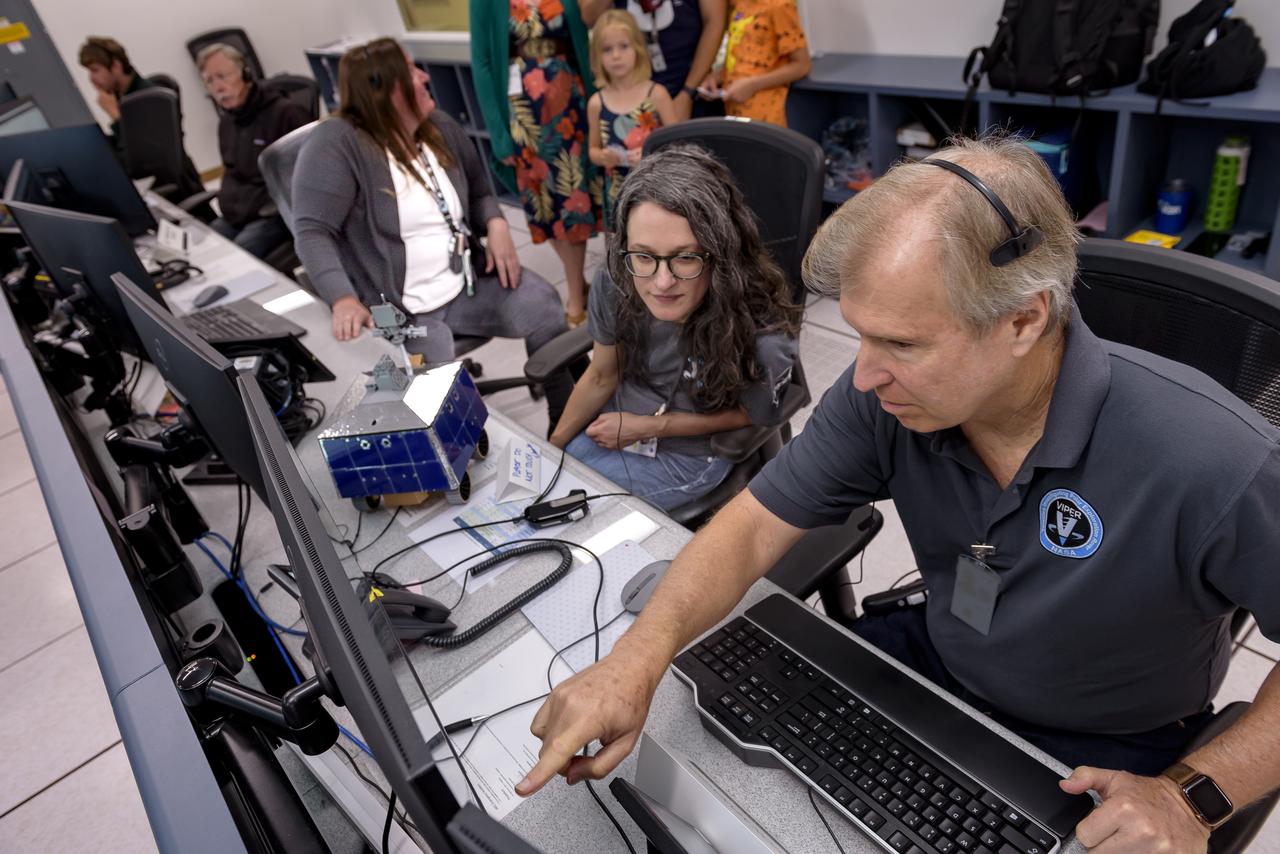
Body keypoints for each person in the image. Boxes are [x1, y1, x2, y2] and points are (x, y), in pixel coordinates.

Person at [518, 136, 1280, 853]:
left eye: (904, 344)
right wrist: (634, 660)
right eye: (860, 336)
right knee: (698, 772)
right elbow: (751, 525)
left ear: (1024, 319)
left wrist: (1192, 797)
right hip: (939, 663)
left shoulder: (1213, 458)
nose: (864, 373)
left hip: (1106, 739)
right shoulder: (886, 395)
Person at [292, 38, 574, 425]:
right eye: (410, 71)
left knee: (543, 307)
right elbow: (311, 230)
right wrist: (342, 298)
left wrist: (494, 222)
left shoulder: (437, 125)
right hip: (399, 310)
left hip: (465, 284)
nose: (424, 76)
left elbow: (478, 189)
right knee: (441, 407)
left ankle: (568, 420)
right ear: (383, 89)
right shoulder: (337, 142)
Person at [549, 145, 798, 512]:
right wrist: (547, 450)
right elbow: (602, 374)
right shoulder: (617, 279)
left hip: (692, 451)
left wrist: (648, 427)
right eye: (644, 255)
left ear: (720, 252)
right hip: (621, 419)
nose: (662, 282)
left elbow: (750, 415)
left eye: (685, 257)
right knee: (547, 488)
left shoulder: (764, 334)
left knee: (576, 514)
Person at [470, 0, 601, 327]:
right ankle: (577, 284)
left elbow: (583, 37)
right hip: (523, 113)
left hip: (570, 104)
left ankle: (574, 292)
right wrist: (499, 132)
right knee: (544, 204)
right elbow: (483, 62)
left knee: (573, 199)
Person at [196, 43, 311, 260]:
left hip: (273, 214)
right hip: (238, 216)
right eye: (210, 81)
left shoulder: (285, 113)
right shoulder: (227, 123)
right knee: (206, 253)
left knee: (237, 257)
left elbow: (308, 177)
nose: (218, 87)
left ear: (245, 73)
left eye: (223, 76)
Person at [586, 10, 678, 228]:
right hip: (617, 193)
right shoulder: (597, 103)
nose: (616, 55)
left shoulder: (657, 94)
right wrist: (603, 157)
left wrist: (652, 153)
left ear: (637, 48)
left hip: (658, 193)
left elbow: (678, 144)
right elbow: (593, 150)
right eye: (607, 49)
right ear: (597, 56)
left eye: (623, 47)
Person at [582, 0, 728, 122]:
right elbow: (589, 16)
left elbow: (715, 21)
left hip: (694, 86)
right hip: (632, 94)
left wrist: (688, 92)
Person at [702, 0, 810, 126]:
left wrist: (752, 85)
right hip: (735, 112)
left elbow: (802, 65)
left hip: (765, 116)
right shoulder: (738, 4)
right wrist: (718, 76)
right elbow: (743, 56)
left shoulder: (780, 6)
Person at [77, 37, 154, 158]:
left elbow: (145, 154)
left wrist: (115, 114)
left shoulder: (151, 96)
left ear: (116, 66)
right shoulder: (120, 96)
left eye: (95, 70)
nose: (91, 78)